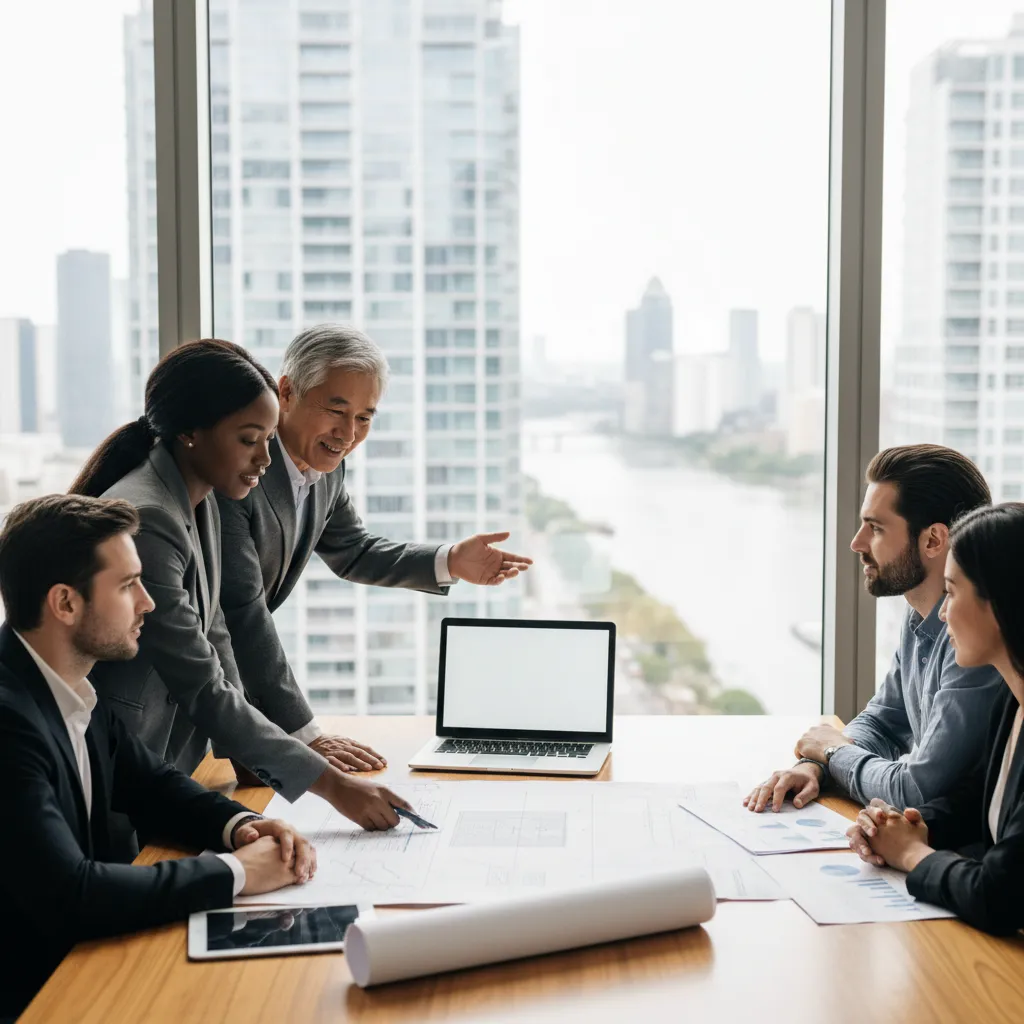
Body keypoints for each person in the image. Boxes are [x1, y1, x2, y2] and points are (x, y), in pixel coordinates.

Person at [69, 339, 412, 838]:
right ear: (190, 432)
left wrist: (254, 749)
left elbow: (217, 633)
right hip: (115, 767)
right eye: (250, 439)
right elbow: (201, 679)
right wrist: (334, 786)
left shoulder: (201, 497)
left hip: (164, 764)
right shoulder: (153, 519)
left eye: (270, 439)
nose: (267, 459)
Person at [0, 495, 316, 1018]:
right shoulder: (10, 722)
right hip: (37, 995)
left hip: (78, 967)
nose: (147, 602)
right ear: (65, 603)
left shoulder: (64, 685)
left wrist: (239, 826)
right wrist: (237, 873)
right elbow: (71, 893)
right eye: (127, 586)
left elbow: (151, 785)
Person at [215, 324, 532, 769]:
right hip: (182, 693)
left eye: (364, 417)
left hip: (232, 690)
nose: (348, 433)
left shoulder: (326, 469)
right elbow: (242, 614)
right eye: (336, 409)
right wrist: (304, 734)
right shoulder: (241, 471)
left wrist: (450, 561)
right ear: (286, 392)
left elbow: (353, 551)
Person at [745, 444, 1004, 813]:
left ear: (933, 539)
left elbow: (915, 790)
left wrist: (833, 750)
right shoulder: (918, 616)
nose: (857, 543)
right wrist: (815, 765)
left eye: (876, 528)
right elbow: (885, 722)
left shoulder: (977, 643)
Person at [846, 503, 1024, 935]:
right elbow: (977, 800)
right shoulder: (1012, 702)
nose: (942, 614)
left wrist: (910, 855)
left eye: (952, 592)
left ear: (998, 604)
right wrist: (910, 824)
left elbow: (999, 894)